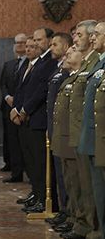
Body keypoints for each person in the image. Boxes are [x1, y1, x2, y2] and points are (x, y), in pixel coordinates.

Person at [12, 28, 58, 214]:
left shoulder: (48, 62)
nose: (36, 44)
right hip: (27, 118)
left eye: (39, 40)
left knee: (40, 162)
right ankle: (37, 193)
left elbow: (40, 91)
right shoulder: (34, 62)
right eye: (34, 40)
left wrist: (23, 110)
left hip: (37, 118)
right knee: (31, 160)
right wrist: (16, 109)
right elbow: (23, 89)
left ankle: (43, 197)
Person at [78, 21, 105, 237]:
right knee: (98, 191)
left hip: (101, 138)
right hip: (93, 138)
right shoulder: (99, 64)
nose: (92, 37)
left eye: (97, 34)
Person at [51, 46, 82, 233]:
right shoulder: (70, 77)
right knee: (71, 181)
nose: (67, 55)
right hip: (66, 135)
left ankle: (83, 223)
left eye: (73, 51)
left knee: (81, 184)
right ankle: (73, 217)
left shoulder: (84, 75)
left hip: (77, 136)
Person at [45, 32, 73, 215]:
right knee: (62, 175)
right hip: (55, 129)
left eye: (55, 44)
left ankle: (69, 213)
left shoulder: (67, 71)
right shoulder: (58, 69)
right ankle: (65, 212)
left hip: (66, 131)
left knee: (68, 177)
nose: (51, 48)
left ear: (65, 46)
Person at [0, 33, 27, 180]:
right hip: (9, 108)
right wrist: (7, 97)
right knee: (12, 141)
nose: (19, 45)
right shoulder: (8, 64)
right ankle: (16, 173)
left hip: (24, 109)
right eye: (17, 43)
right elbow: (2, 84)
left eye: (23, 43)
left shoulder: (31, 63)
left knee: (25, 143)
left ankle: (28, 172)